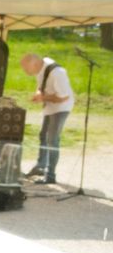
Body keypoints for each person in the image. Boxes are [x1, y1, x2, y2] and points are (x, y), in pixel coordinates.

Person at [20, 53, 74, 184]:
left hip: (61, 108)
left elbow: (63, 97)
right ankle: (41, 167)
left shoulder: (57, 72)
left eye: (26, 69)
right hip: (50, 107)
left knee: (52, 139)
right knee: (43, 136)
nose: (25, 72)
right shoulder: (41, 67)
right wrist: (39, 94)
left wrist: (43, 98)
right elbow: (41, 86)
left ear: (34, 64)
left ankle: (50, 176)